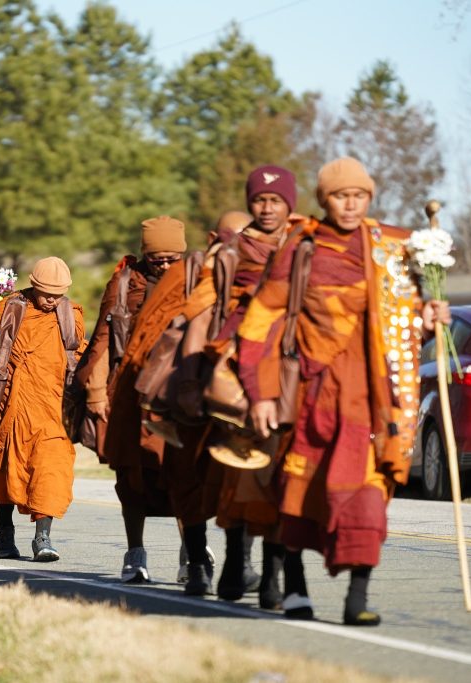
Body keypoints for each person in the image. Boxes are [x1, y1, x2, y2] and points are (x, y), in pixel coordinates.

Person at [237, 156, 449, 626]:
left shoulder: (390, 251)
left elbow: (406, 322)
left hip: (372, 401)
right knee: (298, 494)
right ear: (324, 200)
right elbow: (260, 319)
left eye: (359, 196)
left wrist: (430, 317)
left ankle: (358, 598)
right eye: (340, 196)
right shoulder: (302, 247)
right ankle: (295, 588)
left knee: (368, 497)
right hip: (311, 395)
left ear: (369, 198)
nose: (350, 205)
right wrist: (260, 393)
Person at [172, 166, 304, 599]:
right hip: (236, 368)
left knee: (284, 474)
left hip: (292, 369)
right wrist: (189, 380)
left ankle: (272, 576)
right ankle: (234, 561)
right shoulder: (230, 251)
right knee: (238, 472)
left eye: (275, 200)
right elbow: (202, 312)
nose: (267, 208)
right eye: (259, 200)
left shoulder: (305, 246)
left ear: (289, 204)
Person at [0, 257, 85, 561]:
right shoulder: (9, 309)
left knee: (52, 469)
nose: (51, 300)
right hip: (12, 405)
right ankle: (6, 532)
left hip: (53, 410)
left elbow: (76, 356)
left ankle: (43, 538)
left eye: (57, 294)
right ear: (33, 286)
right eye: (46, 294)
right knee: (8, 471)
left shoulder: (70, 314)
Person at [80, 216, 187, 582]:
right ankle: (135, 553)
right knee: (132, 478)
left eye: (172, 258)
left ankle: (191, 553)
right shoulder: (126, 282)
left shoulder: (194, 281)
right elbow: (102, 340)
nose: (165, 266)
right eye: (157, 258)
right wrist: (96, 393)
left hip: (178, 395)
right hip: (129, 394)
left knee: (183, 476)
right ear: (144, 253)